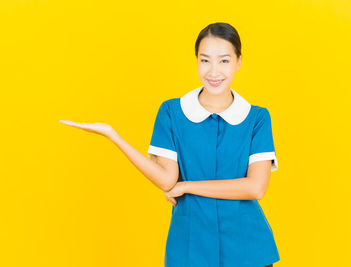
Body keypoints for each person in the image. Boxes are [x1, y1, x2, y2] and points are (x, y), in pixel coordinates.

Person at [60, 22, 279, 267]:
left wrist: (188, 186)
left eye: (224, 61)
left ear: (238, 62)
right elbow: (166, 180)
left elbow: (256, 188)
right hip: (190, 248)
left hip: (249, 250)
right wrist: (114, 136)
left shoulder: (257, 118)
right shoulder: (172, 112)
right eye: (205, 60)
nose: (213, 71)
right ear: (196, 61)